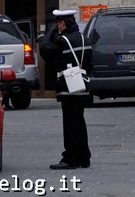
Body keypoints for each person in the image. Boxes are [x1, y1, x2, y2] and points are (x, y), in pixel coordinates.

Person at [39, 9, 93, 169]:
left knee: (70, 122)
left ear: (62, 23)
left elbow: (46, 51)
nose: (58, 27)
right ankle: (84, 156)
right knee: (79, 120)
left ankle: (71, 157)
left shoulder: (63, 41)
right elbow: (90, 63)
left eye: (58, 24)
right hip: (82, 81)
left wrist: (45, 36)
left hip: (69, 82)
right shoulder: (85, 38)